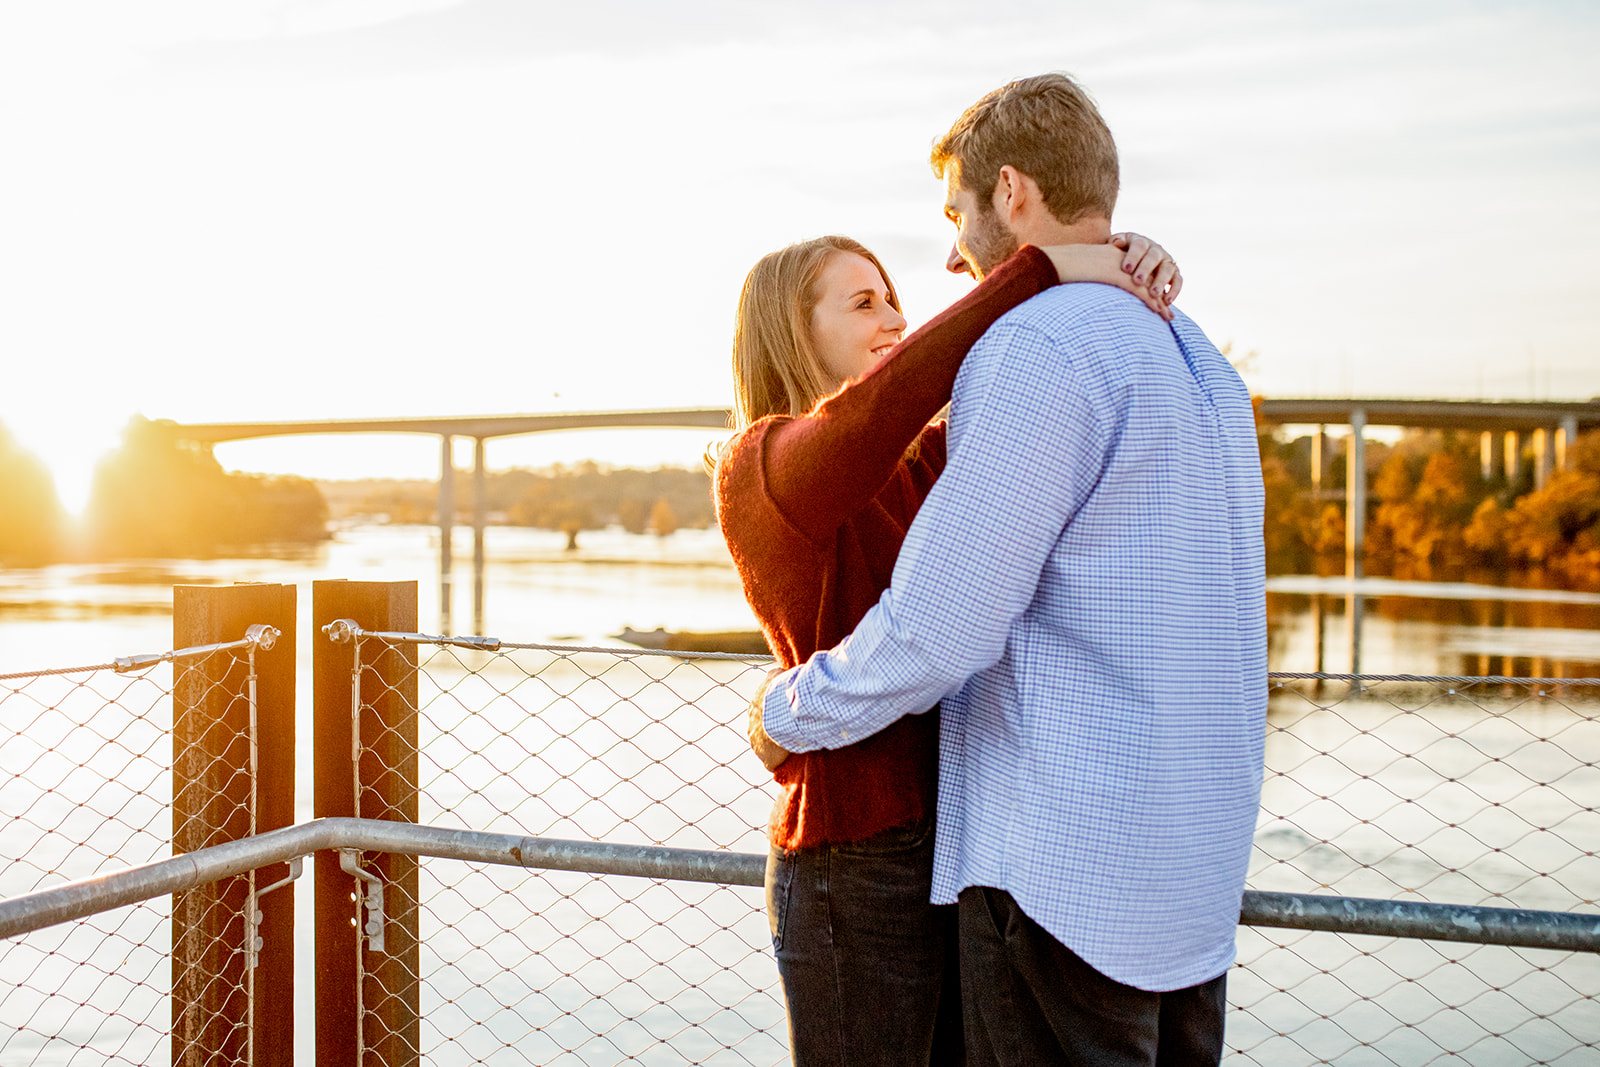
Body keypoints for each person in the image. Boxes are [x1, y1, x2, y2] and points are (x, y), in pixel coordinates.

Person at [749, 73, 1267, 1067]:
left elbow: (940, 628)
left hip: (1062, 881)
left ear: (1014, 193)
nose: (950, 254)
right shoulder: (1196, 354)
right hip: (1188, 881)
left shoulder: (1035, 347)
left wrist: (785, 712)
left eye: (959, 212)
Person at [716, 224, 1180, 1067]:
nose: (895, 314)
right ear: (792, 330)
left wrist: (1115, 262)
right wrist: (1037, 268)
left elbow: (1009, 385)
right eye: (863, 302)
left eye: (894, 295)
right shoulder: (764, 467)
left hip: (964, 841)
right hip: (854, 855)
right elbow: (895, 395)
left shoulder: (922, 463)